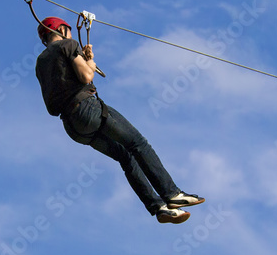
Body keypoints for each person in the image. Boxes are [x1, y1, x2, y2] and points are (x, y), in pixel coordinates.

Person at [33, 16, 204, 224]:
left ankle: (159, 207)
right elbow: (87, 76)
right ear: (61, 29)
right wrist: (90, 61)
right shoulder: (68, 44)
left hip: (73, 128)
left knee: (126, 156)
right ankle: (172, 194)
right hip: (88, 109)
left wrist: (83, 58)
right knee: (138, 143)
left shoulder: (40, 63)